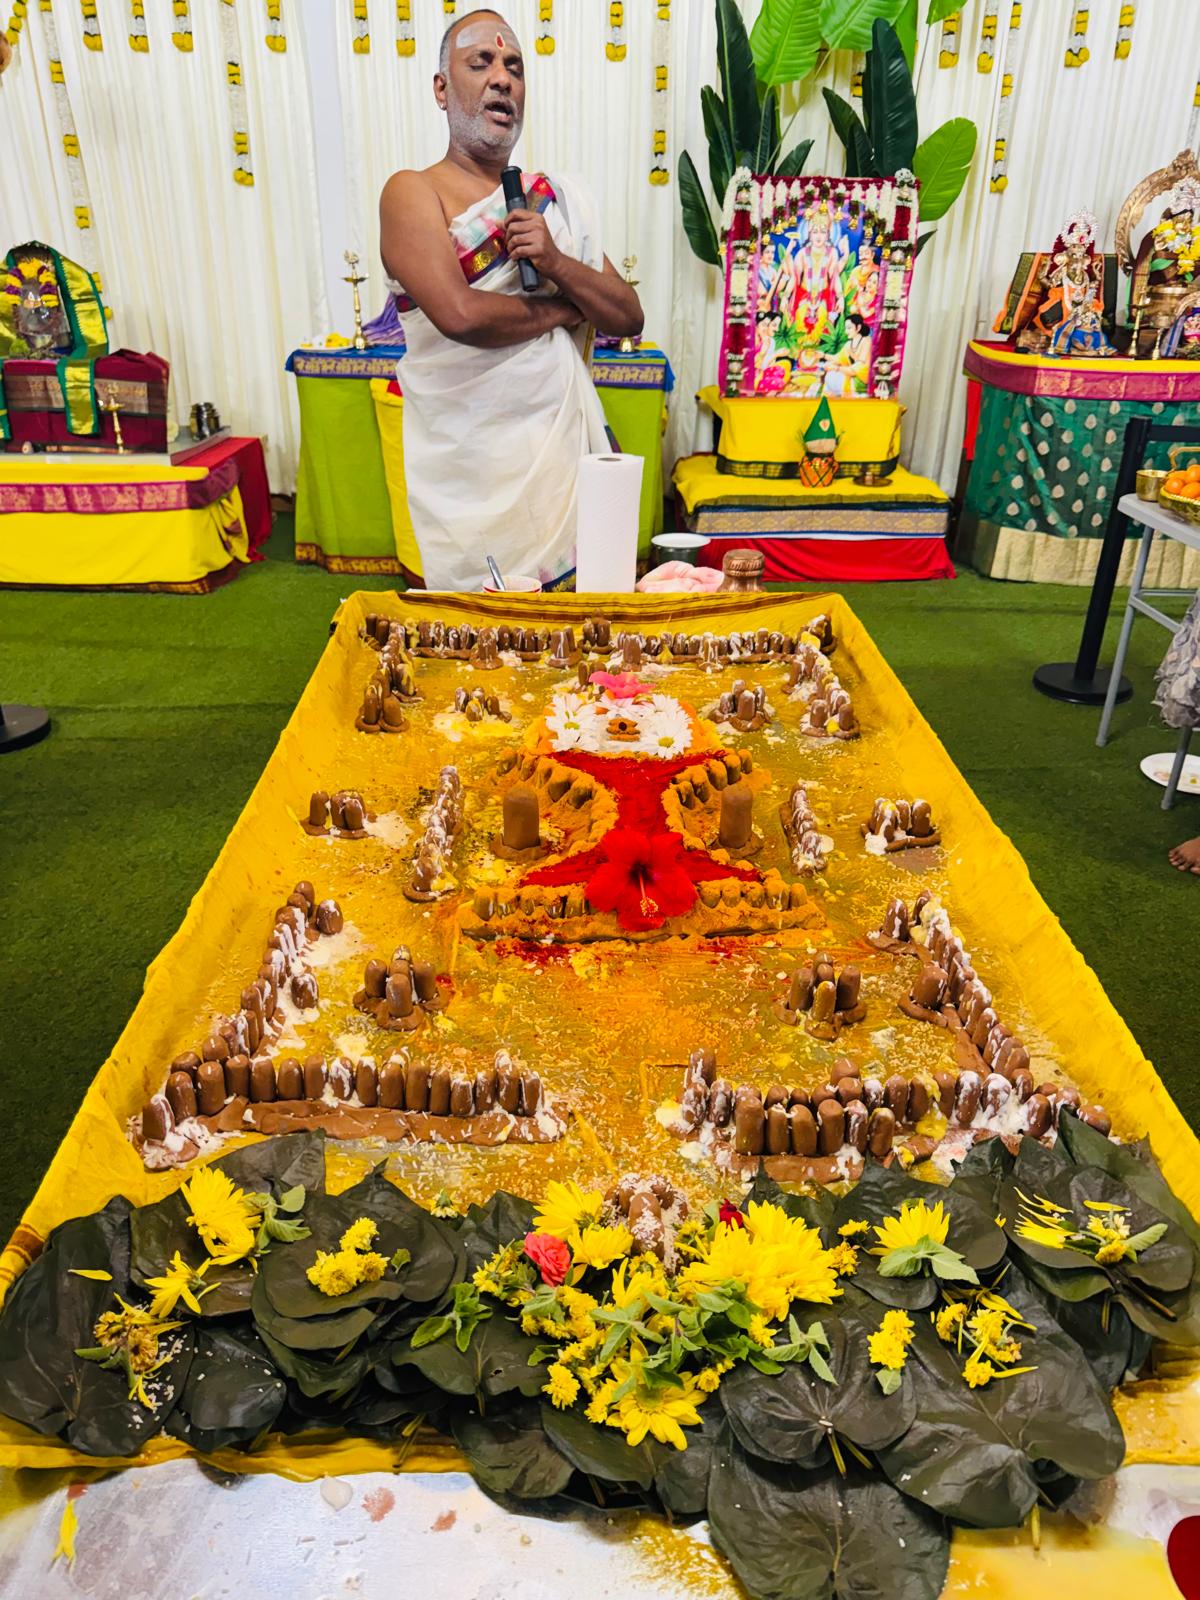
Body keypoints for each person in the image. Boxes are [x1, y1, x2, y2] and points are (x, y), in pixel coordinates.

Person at [379, 9, 643, 592]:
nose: (503, 77)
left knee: (587, 654)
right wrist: (565, 309)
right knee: (488, 662)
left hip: (565, 461)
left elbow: (627, 316)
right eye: (482, 62)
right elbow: (461, 315)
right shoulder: (412, 192)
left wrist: (554, 262)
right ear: (441, 89)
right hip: (473, 473)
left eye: (515, 67)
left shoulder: (551, 204)